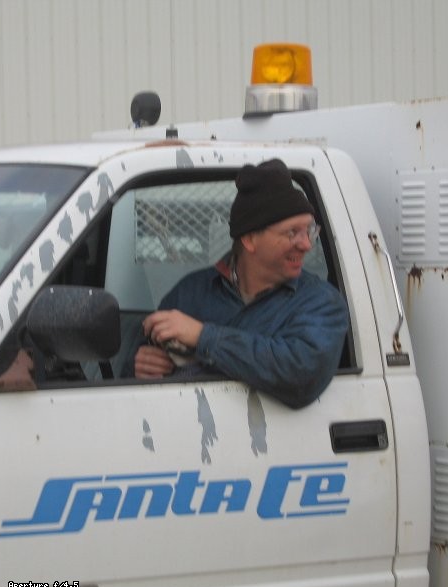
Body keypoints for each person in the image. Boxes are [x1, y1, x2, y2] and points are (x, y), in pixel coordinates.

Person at [133, 158, 349, 409]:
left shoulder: (321, 302)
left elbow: (300, 372)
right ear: (250, 240)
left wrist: (202, 337)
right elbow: (133, 364)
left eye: (310, 230)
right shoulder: (190, 292)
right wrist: (142, 362)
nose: (306, 244)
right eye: (292, 233)